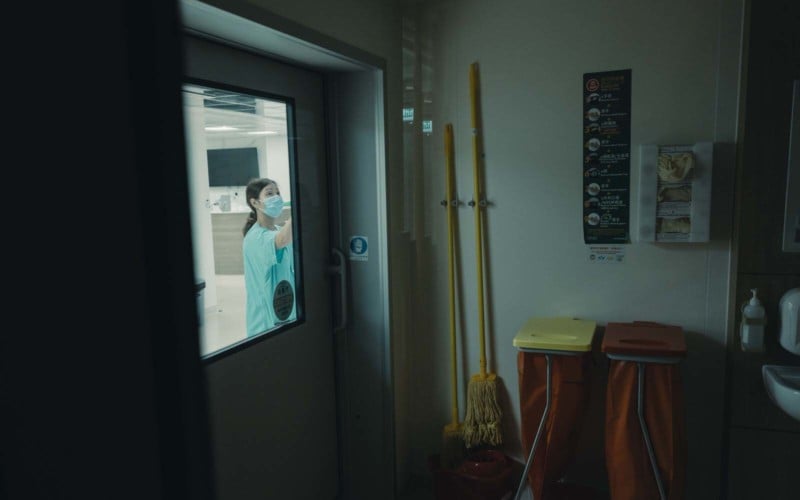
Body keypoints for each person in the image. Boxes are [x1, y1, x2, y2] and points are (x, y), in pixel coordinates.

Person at [242, 177, 296, 337]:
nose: (277, 197)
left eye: (278, 193)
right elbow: (281, 240)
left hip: (285, 310)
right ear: (255, 203)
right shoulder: (255, 237)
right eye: (269, 193)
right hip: (265, 323)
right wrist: (300, 207)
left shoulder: (277, 229)